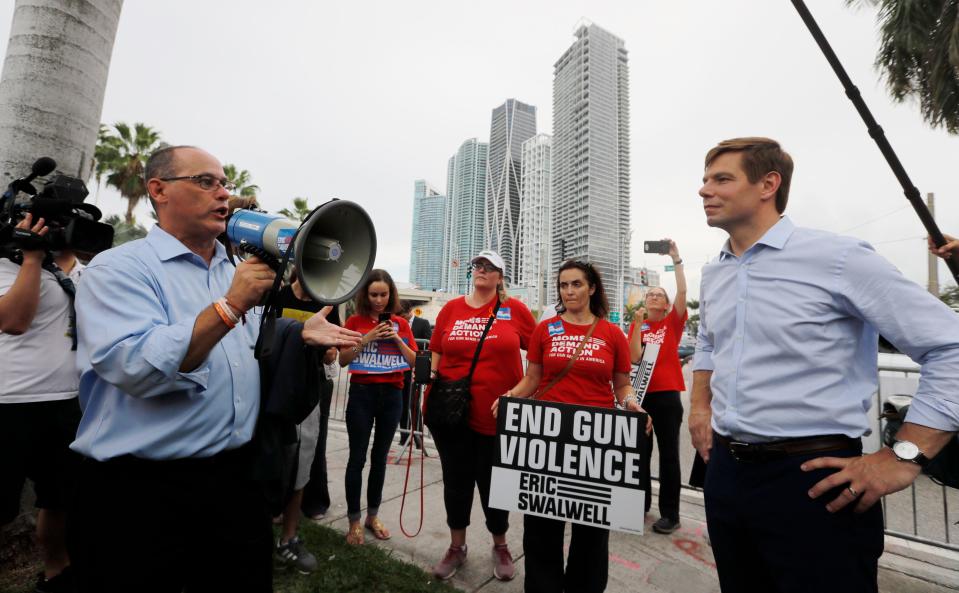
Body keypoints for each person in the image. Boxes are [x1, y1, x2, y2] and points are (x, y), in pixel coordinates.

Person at [67, 145, 361, 593]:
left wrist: (295, 333)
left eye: (224, 183)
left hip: (233, 482)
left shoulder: (233, 269)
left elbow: (238, 350)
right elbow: (135, 364)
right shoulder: (120, 269)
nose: (223, 193)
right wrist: (231, 305)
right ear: (159, 190)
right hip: (141, 491)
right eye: (205, 182)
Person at [689, 137, 959, 593]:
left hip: (815, 482)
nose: (704, 190)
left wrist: (904, 455)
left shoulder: (839, 258)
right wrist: (699, 408)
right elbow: (710, 344)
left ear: (767, 185)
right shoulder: (716, 271)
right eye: (704, 180)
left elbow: (949, 346)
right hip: (727, 478)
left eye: (721, 179)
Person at [500, 260, 647, 593]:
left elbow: (622, 386)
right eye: (564, 285)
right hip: (546, 439)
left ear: (591, 288)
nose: (569, 291)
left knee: (592, 535)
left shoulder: (612, 333)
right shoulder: (545, 328)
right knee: (540, 531)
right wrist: (510, 396)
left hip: (595, 443)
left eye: (577, 284)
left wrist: (631, 404)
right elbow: (532, 379)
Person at [428, 250, 536, 582]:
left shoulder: (514, 310)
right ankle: (457, 547)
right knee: (456, 483)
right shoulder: (451, 309)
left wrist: (520, 391)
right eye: (478, 265)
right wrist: (431, 379)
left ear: (501, 277)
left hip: (497, 417)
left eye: (489, 267)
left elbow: (539, 356)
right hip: (451, 416)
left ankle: (500, 544)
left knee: (495, 487)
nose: (481, 270)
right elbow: (437, 348)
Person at [0, 214, 84, 593]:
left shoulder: (80, 273)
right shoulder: (6, 264)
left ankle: (55, 575)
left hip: (65, 402)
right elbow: (14, 321)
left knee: (59, 499)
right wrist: (31, 259)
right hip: (10, 403)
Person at [338, 269, 417, 545]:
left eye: (384, 294)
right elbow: (343, 359)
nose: (379, 300)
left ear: (391, 294)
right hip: (362, 394)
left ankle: (372, 515)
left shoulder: (401, 324)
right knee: (357, 458)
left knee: (379, 458)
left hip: (392, 395)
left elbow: (414, 362)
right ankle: (354, 521)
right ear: (365, 295)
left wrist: (395, 337)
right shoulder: (354, 320)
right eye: (374, 295)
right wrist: (368, 336)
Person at [272, 269, 341, 573]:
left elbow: (333, 347)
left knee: (302, 462)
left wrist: (330, 352)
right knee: (266, 462)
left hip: (308, 393)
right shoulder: (275, 294)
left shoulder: (328, 304)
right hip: (269, 388)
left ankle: (288, 539)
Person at [627, 239, 687, 534]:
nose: (652, 297)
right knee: (640, 453)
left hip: (666, 398)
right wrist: (636, 325)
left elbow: (683, 293)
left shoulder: (671, 324)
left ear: (665, 304)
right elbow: (635, 357)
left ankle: (671, 513)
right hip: (641, 398)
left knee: (669, 456)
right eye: (649, 293)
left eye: (658, 294)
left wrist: (676, 260)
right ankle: (639, 505)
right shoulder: (639, 326)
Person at [398, 299, 431, 448]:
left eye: (401, 314)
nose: (400, 317)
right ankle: (404, 436)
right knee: (402, 404)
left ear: (409, 311)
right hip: (400, 370)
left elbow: (429, 345)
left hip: (415, 371)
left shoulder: (422, 323)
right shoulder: (397, 324)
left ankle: (418, 438)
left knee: (414, 404)